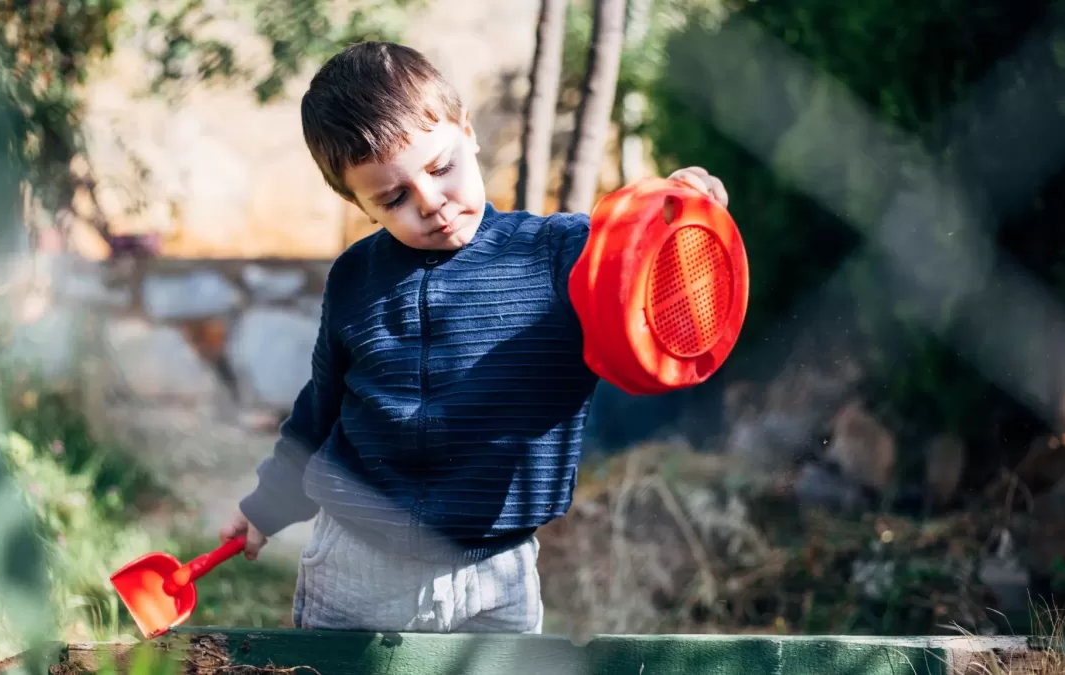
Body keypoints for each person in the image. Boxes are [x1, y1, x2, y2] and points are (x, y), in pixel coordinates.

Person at [219, 40, 729, 634]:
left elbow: (656, 286)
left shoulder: (563, 254)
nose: (431, 203)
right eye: (394, 197)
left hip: (499, 568)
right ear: (358, 203)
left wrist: (680, 212)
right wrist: (267, 507)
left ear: (468, 131)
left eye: (441, 168)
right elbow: (320, 410)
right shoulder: (355, 279)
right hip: (359, 562)